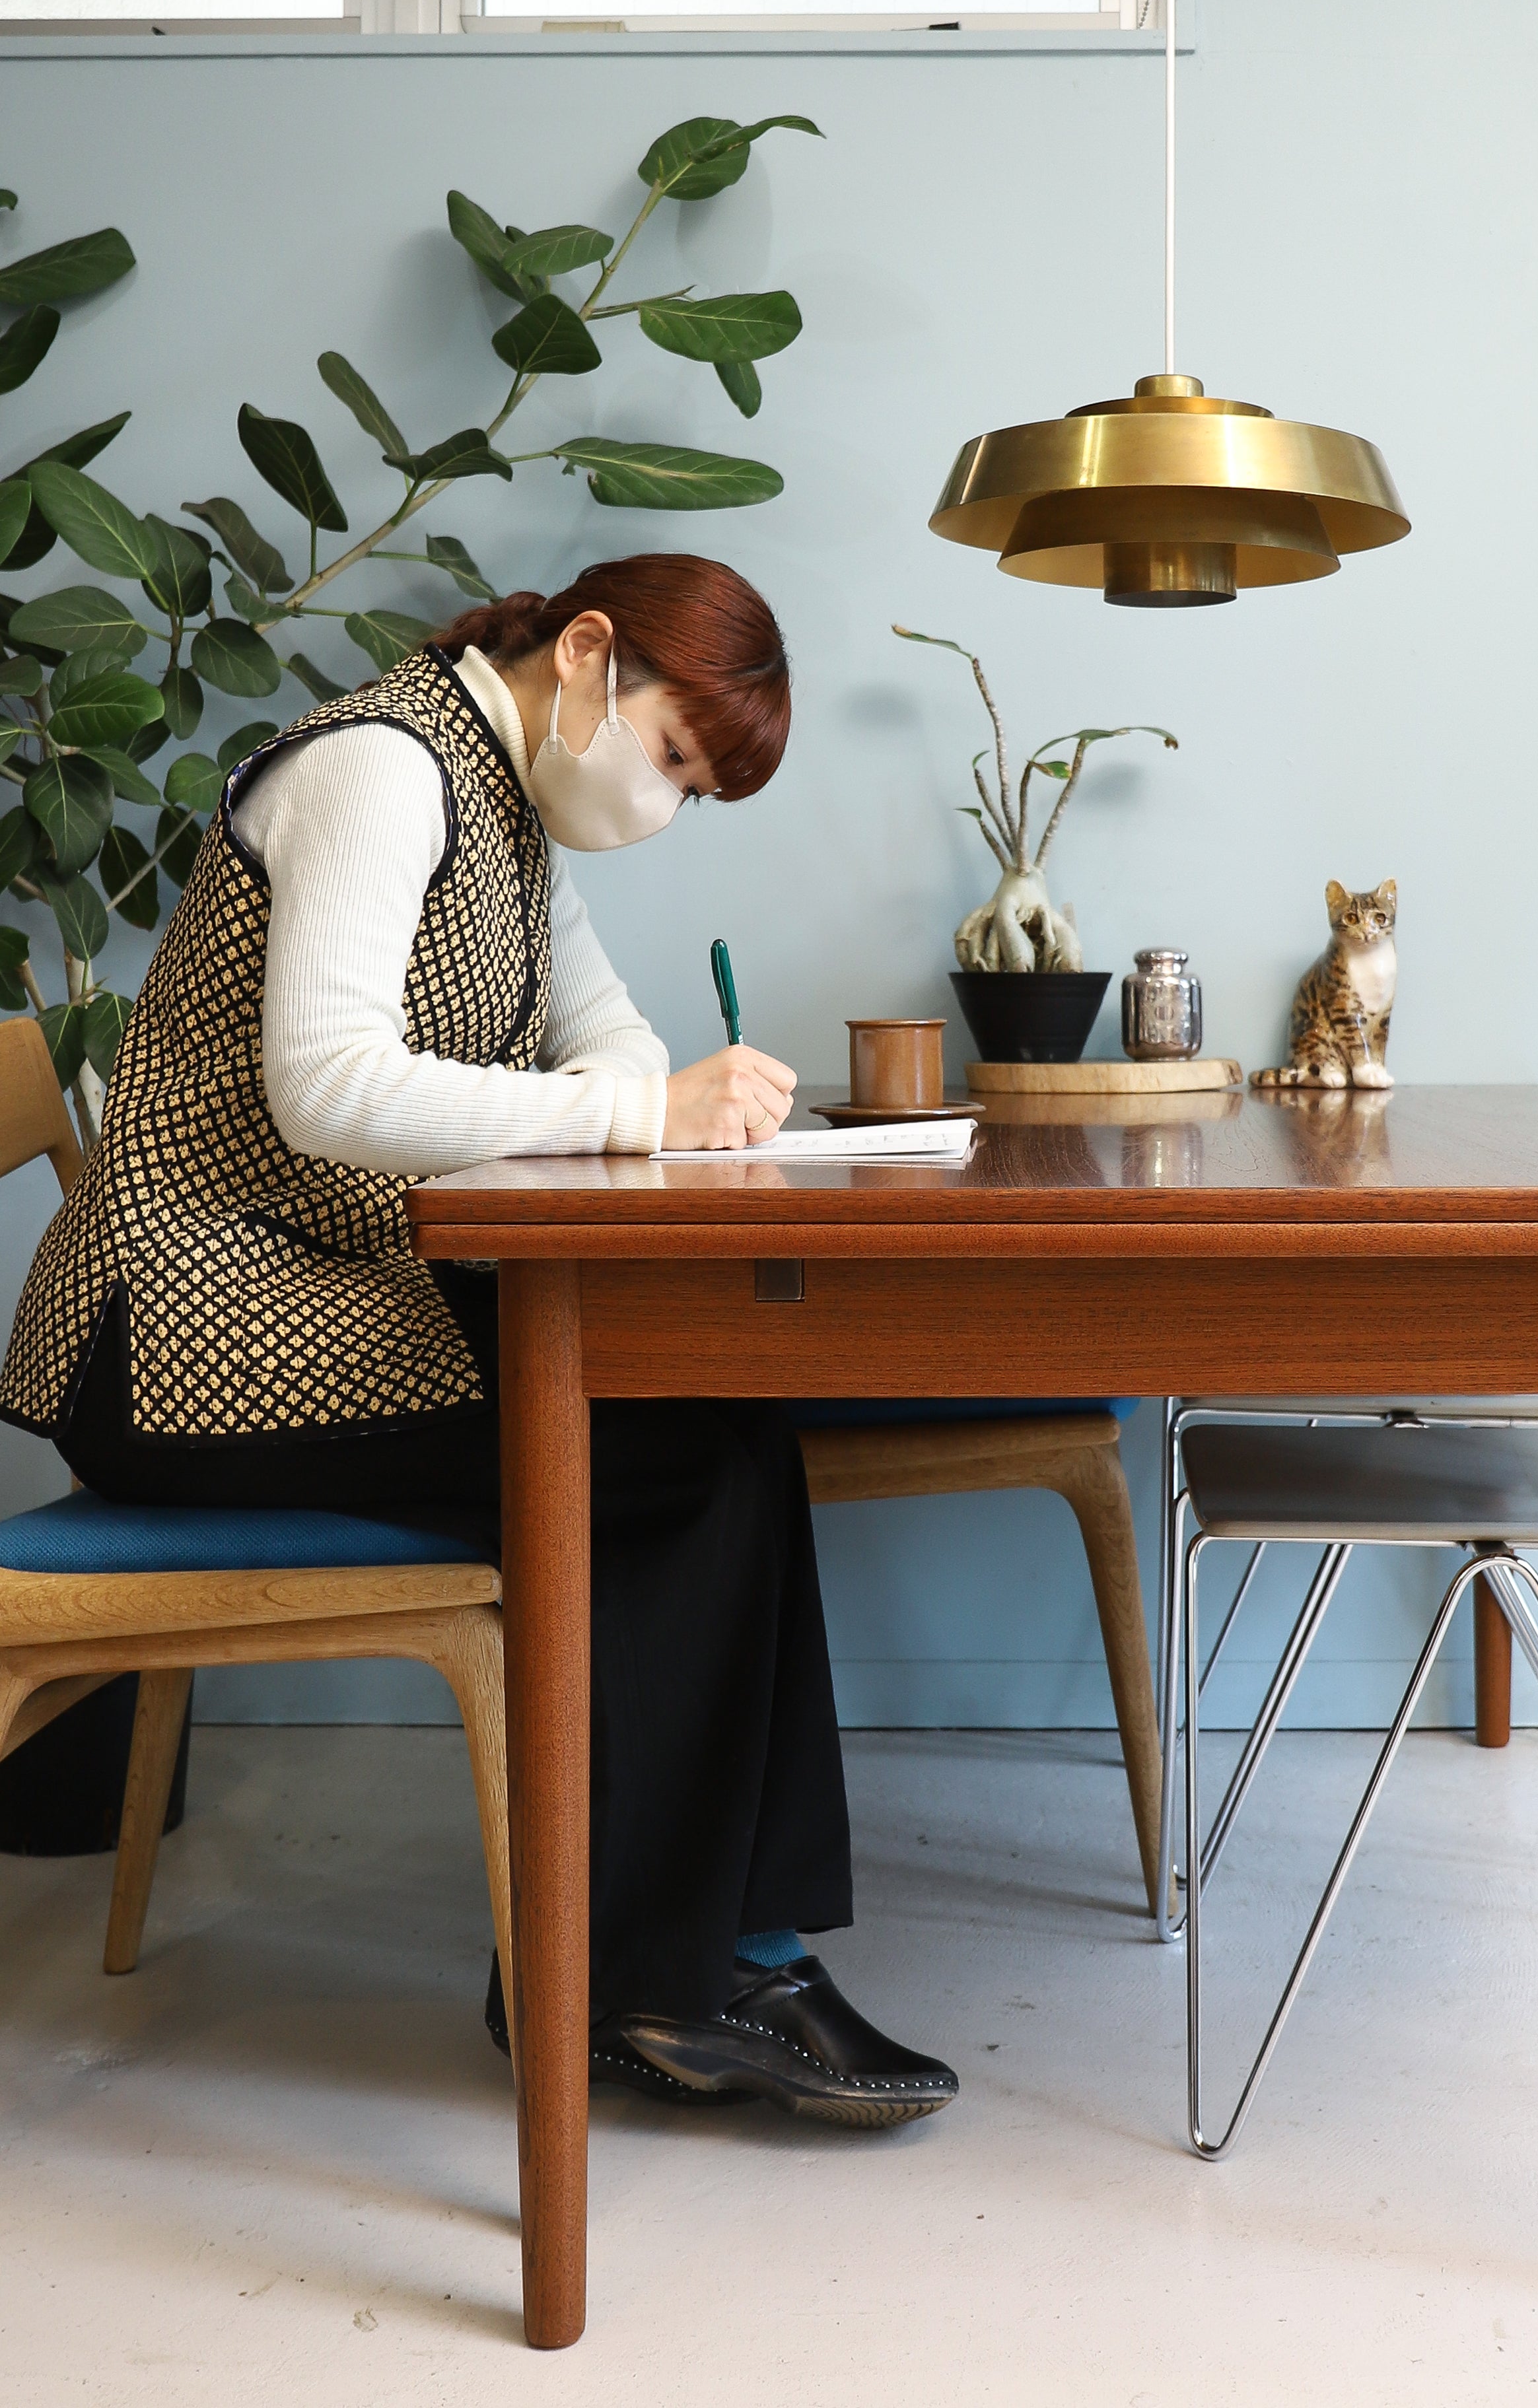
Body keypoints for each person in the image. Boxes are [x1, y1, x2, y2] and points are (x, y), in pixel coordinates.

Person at [0, 555, 957, 2128]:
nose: (664, 802)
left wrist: (661, 1093)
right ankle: (654, 1983)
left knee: (718, 1424)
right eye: (670, 758)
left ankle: (713, 1955)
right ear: (587, 653)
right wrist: (643, 1115)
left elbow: (612, 1035)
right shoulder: (378, 773)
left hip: (312, 1294)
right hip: (179, 1317)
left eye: (696, 794)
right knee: (671, 1462)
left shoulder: (512, 816)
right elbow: (329, 1082)